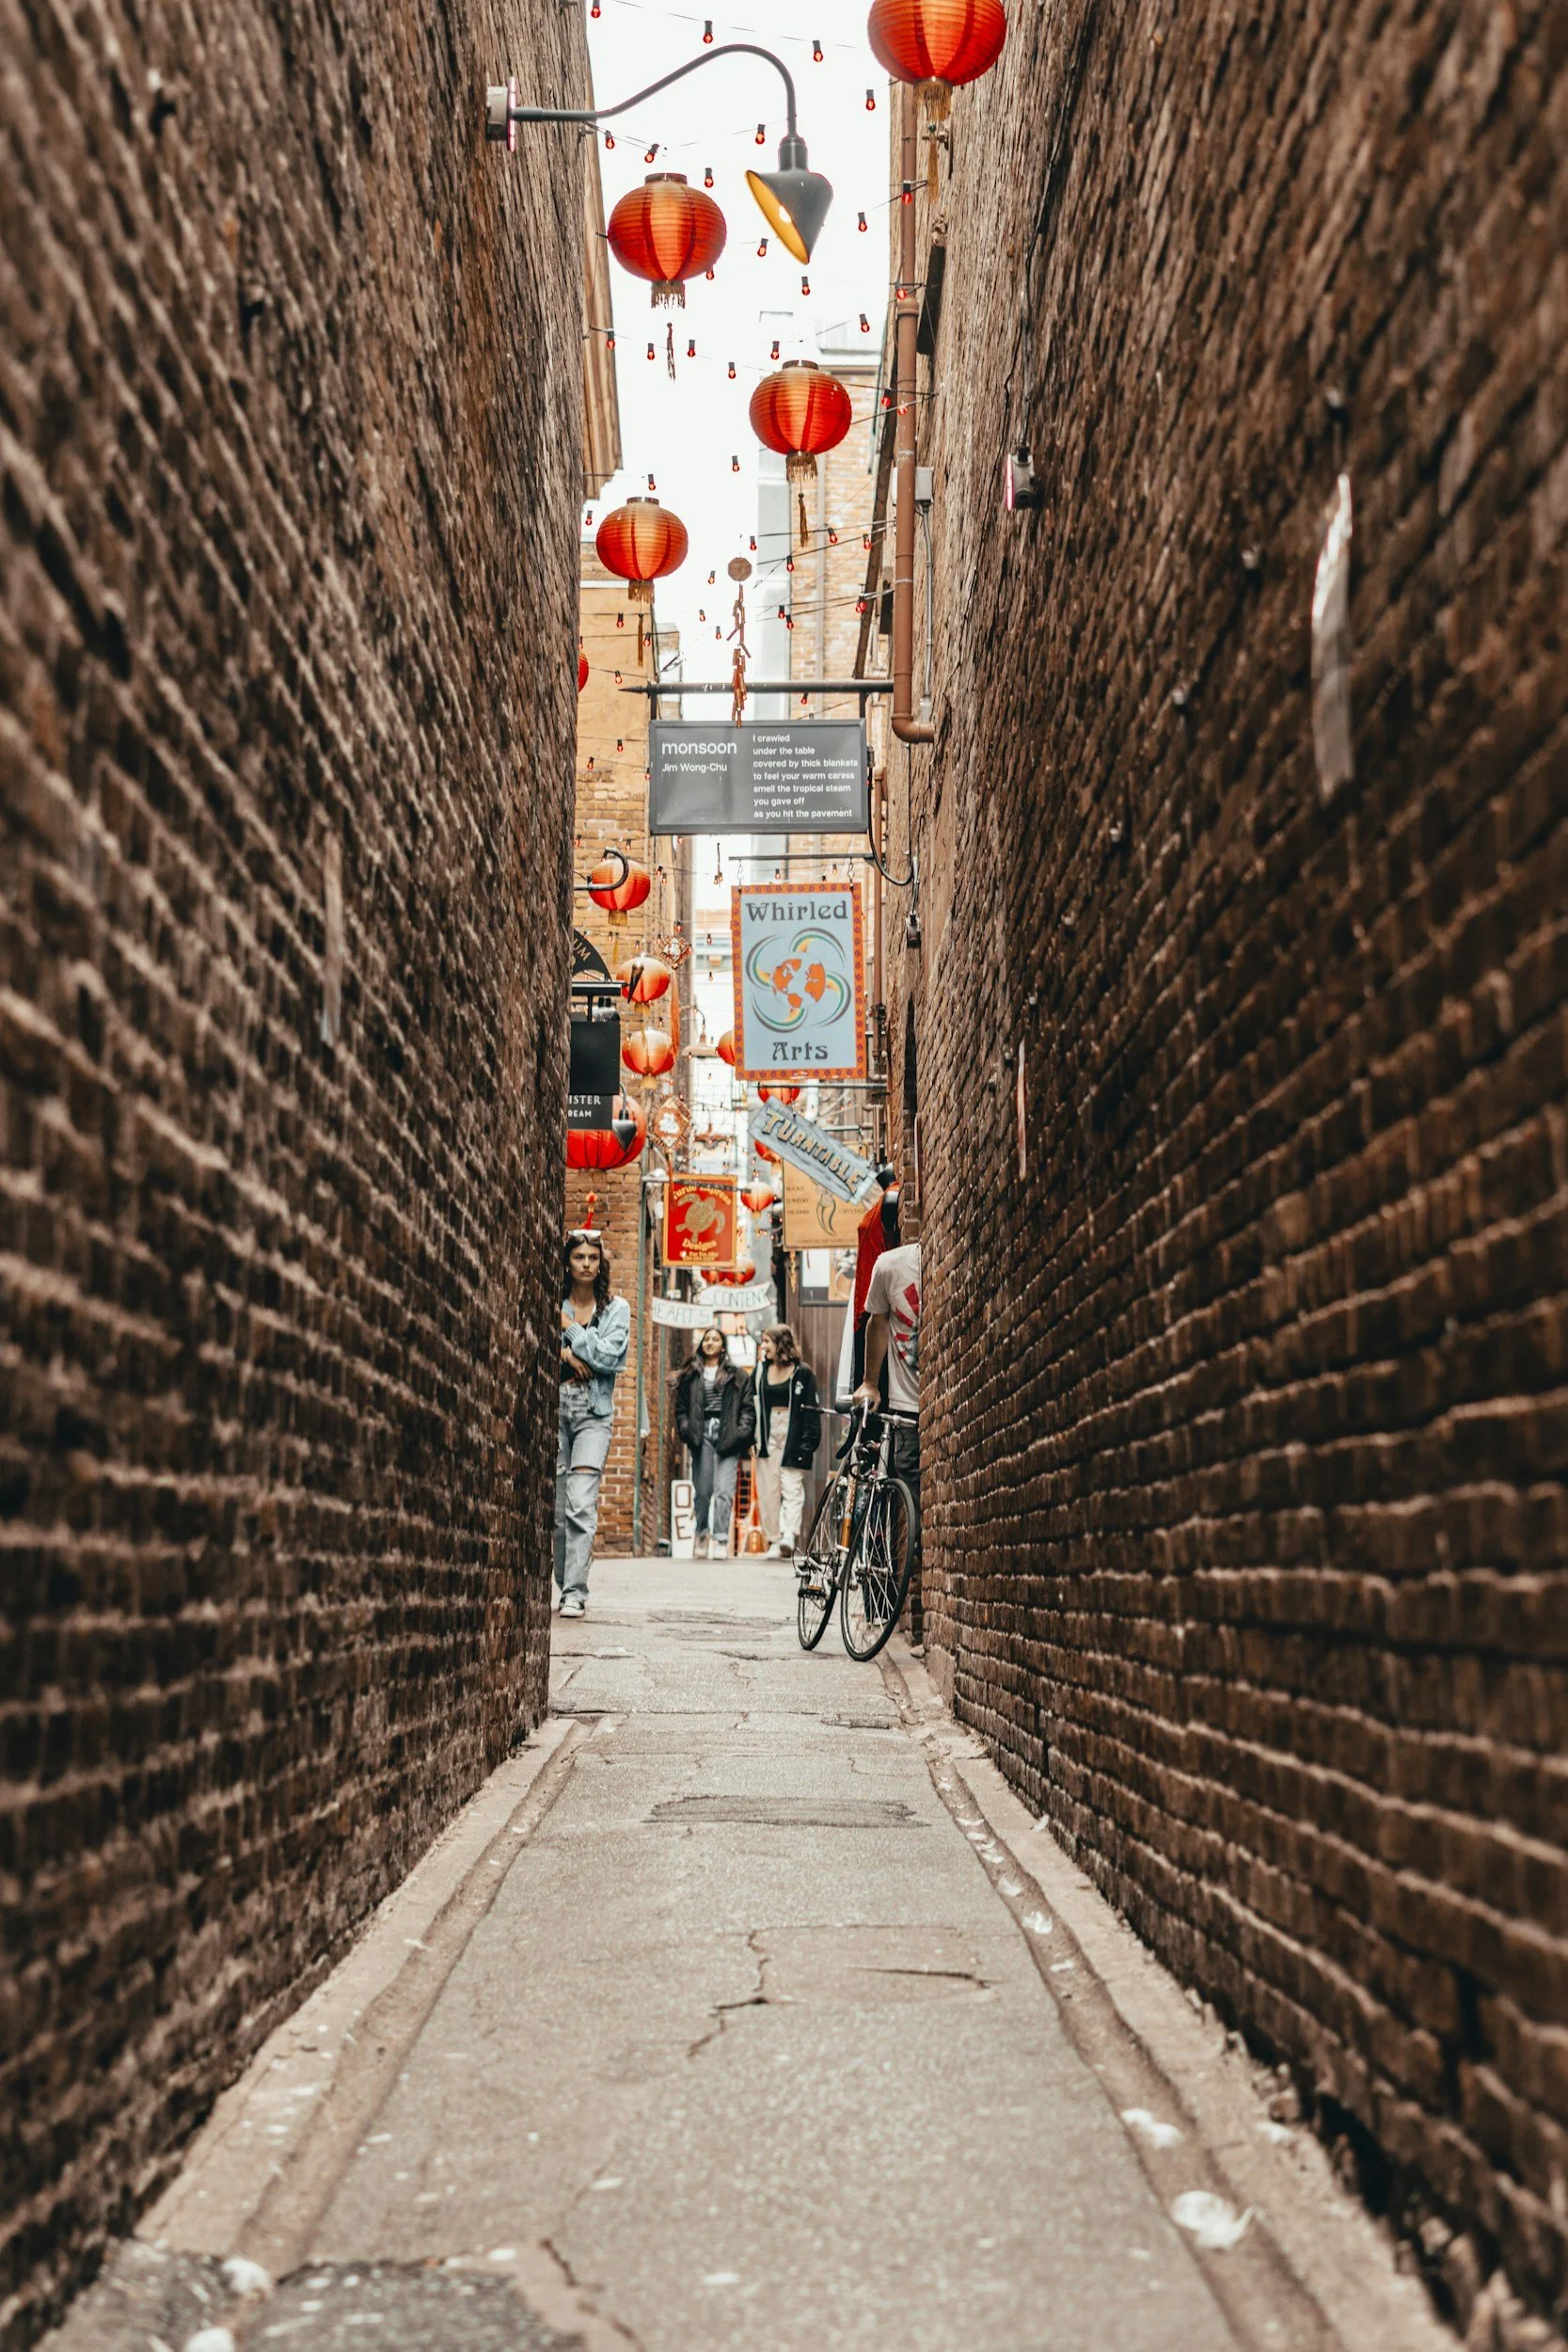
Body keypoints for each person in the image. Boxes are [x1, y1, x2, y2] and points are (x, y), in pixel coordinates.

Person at [557, 1230, 630, 1617]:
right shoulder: (555, 1301)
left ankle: (574, 1592)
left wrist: (569, 1333)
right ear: (567, 1262)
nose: (586, 1263)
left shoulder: (616, 1309)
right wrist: (568, 1359)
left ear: (600, 1265)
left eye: (592, 1258)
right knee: (556, 1511)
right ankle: (564, 1578)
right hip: (555, 1407)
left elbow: (610, 1358)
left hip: (593, 1413)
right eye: (578, 1257)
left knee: (580, 1504)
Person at [854, 1200, 922, 1601]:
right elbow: (877, 1322)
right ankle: (902, 1593)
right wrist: (869, 1383)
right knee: (909, 1497)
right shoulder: (889, 1266)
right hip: (907, 1406)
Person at [675, 1327, 755, 1559]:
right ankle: (701, 1533)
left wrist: (741, 1434)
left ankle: (720, 1539)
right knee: (702, 1491)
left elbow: (747, 1409)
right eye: (706, 1339)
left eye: (715, 1339)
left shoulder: (737, 1375)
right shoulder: (691, 1374)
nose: (710, 1343)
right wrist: (686, 1431)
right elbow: (681, 1409)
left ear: (723, 1346)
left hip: (727, 1436)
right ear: (701, 1344)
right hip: (701, 1437)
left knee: (724, 1490)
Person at [753, 1324, 822, 1557]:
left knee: (792, 1486)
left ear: (780, 1343)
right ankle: (773, 1539)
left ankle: (789, 1535)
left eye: (767, 1342)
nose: (763, 1347)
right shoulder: (760, 1371)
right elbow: (752, 1404)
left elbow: (812, 1409)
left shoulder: (802, 1373)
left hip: (793, 1433)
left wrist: (808, 1443)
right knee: (768, 1489)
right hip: (767, 1434)